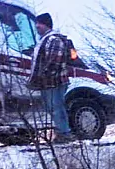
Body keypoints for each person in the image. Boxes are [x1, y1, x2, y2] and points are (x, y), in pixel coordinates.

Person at [27, 12, 73, 143]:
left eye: (39, 24)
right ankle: (61, 133)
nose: (37, 26)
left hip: (55, 81)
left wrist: (43, 76)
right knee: (52, 108)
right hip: (48, 82)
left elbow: (54, 62)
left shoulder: (53, 39)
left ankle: (64, 134)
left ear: (45, 24)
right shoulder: (44, 40)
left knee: (57, 108)